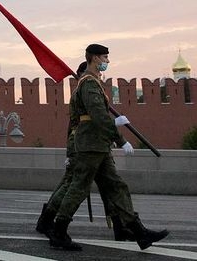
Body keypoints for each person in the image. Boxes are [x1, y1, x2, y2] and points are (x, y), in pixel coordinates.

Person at [49, 44, 169, 251]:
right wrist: (121, 139)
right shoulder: (88, 83)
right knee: (79, 187)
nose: (107, 61)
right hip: (90, 145)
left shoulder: (93, 82)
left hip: (98, 145)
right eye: (105, 57)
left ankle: (138, 232)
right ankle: (58, 232)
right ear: (95, 58)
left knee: (116, 186)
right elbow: (98, 116)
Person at [35, 62, 134, 241]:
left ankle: (121, 226)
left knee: (109, 186)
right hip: (84, 145)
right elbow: (79, 124)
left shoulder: (89, 90)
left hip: (96, 143)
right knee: (73, 185)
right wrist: (70, 152)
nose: (100, 74)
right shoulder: (83, 91)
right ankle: (48, 221)